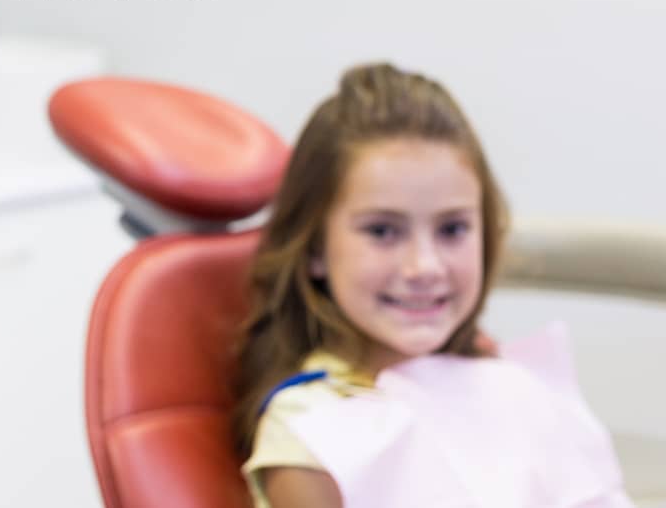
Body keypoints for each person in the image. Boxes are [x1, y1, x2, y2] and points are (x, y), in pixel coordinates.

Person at [231, 63, 630, 508]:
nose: (424, 266)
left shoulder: (512, 386)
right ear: (315, 249)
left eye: (452, 229)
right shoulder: (309, 435)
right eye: (383, 231)